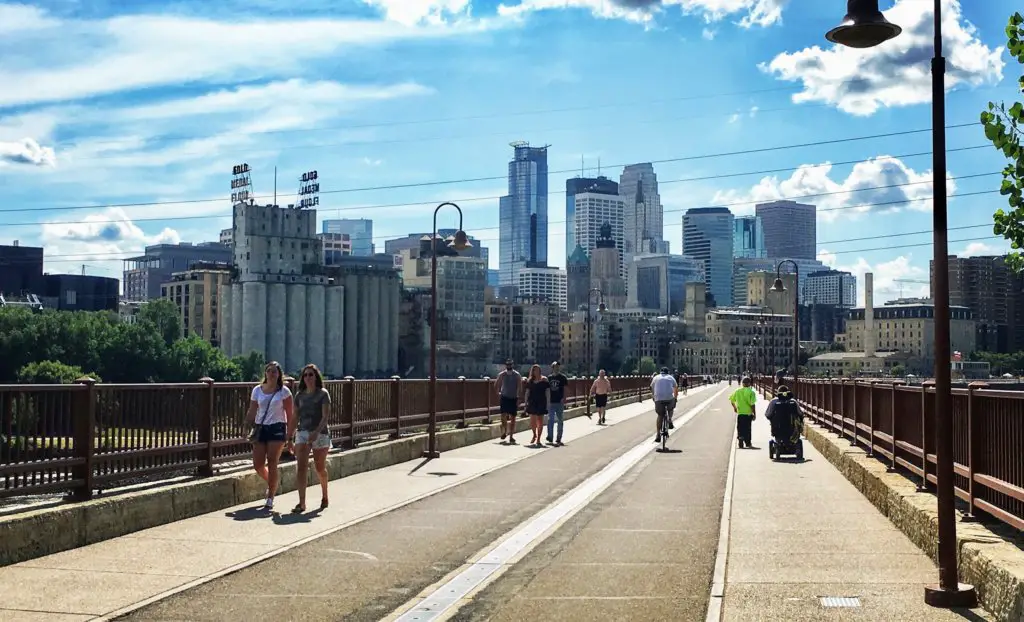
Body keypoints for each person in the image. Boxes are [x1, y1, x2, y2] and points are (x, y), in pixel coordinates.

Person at [246, 361, 294, 511]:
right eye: (269, 371)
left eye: (275, 372)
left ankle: (270, 497)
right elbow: (252, 410)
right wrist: (246, 425)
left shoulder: (284, 392)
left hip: (277, 428)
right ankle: (272, 483)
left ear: (279, 374)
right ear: (265, 373)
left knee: (272, 461)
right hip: (261, 428)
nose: (272, 374)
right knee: (258, 464)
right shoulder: (257, 390)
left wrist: (290, 435)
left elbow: (290, 414)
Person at [291, 363, 331, 514]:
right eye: (305, 375)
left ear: (316, 377)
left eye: (311, 375)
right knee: (301, 467)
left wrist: (316, 432)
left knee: (319, 467)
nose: (308, 377)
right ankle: (302, 503)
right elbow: (295, 417)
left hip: (320, 433)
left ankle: (325, 495)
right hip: (302, 433)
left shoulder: (323, 394)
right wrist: (290, 436)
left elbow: (325, 416)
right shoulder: (299, 396)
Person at [494, 360, 523, 445]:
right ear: (506, 365)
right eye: (507, 364)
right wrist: (498, 393)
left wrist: (519, 398)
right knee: (503, 416)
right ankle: (505, 431)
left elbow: (520, 387)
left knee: (513, 418)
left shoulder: (517, 375)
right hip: (504, 397)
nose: (509, 366)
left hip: (513, 398)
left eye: (510, 364)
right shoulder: (502, 374)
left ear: (512, 365)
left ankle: (511, 436)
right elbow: (496, 384)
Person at [524, 364, 550, 447]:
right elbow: (527, 392)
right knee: (532, 421)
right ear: (532, 371)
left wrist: (548, 404)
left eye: (538, 370)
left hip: (541, 402)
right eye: (534, 370)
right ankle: (534, 434)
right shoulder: (530, 381)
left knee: (540, 421)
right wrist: (525, 403)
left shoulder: (544, 380)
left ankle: (538, 438)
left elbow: (547, 392)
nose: (536, 371)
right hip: (532, 402)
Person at [650, 367, 678, 443]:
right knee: (671, 407)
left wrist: (653, 397)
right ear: (667, 372)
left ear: (660, 372)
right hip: (669, 398)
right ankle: (669, 419)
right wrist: (675, 399)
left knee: (660, 415)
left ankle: (658, 434)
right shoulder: (671, 377)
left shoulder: (656, 377)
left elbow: (651, 387)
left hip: (658, 399)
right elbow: (676, 388)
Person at [729, 376, 758, 449]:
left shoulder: (737, 391)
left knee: (740, 428)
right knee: (748, 428)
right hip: (748, 414)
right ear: (749, 384)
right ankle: (748, 443)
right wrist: (754, 414)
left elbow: (732, 400)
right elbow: (752, 404)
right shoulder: (751, 392)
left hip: (740, 413)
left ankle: (740, 440)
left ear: (742, 383)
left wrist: (735, 408)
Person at [545, 362, 569, 446]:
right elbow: (547, 390)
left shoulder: (563, 377)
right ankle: (550, 436)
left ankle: (559, 437)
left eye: (558, 367)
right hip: (551, 402)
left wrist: (564, 398)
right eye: (555, 367)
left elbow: (565, 389)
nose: (557, 368)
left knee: (560, 420)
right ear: (552, 368)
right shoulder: (549, 378)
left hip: (559, 401)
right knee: (550, 419)